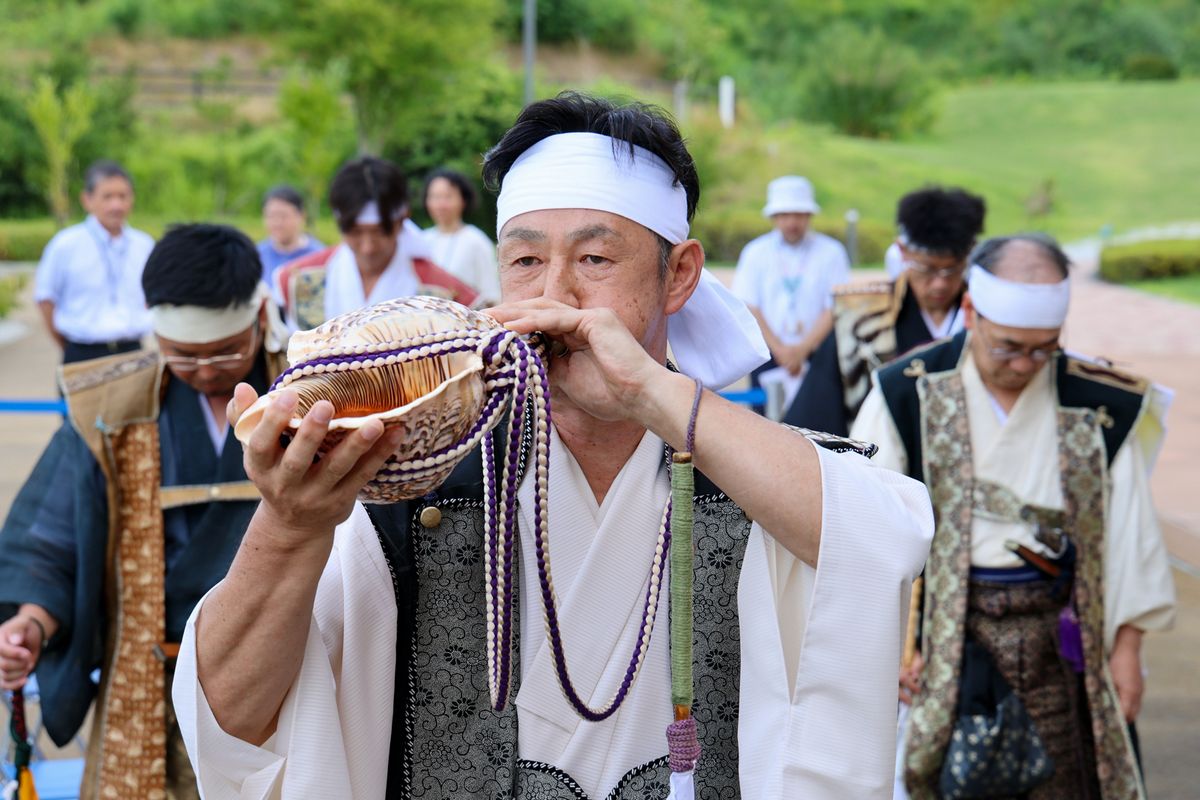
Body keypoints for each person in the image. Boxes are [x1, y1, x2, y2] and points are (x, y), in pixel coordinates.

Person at [173, 93, 934, 799]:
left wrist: (652, 396)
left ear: (681, 275)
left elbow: (880, 546)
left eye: (597, 260)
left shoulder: (753, 473)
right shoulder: (414, 482)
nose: (554, 296)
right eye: (526, 260)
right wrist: (290, 525)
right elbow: (235, 726)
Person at [852, 235, 1176, 799]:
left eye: (1042, 349)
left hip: (1062, 633)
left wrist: (1128, 649)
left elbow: (1131, 535)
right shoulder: (907, 392)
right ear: (972, 312)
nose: (1025, 365)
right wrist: (892, 646)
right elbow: (865, 531)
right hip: (947, 636)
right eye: (1008, 347)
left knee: (1070, 778)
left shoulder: (1098, 404)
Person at [0, 224, 290, 800]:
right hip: (147, 671)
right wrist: (30, 624)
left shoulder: (306, 392)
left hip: (281, 676)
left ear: (260, 317)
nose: (206, 371)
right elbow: (55, 536)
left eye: (226, 352)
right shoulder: (114, 408)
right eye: (182, 355)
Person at [784, 186, 986, 436]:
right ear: (902, 251)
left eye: (952, 270)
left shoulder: (985, 317)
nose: (940, 283)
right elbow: (818, 411)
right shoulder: (860, 316)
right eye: (927, 268)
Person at [274, 156, 477, 331]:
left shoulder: (446, 294)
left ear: (401, 221)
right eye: (355, 233)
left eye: (379, 232)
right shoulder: (295, 281)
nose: (367, 247)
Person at [732, 175, 851, 409]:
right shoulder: (756, 252)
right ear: (774, 217)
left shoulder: (831, 252)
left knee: (818, 423)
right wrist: (780, 349)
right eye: (785, 215)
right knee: (765, 426)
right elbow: (748, 305)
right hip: (768, 353)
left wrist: (803, 349)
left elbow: (836, 304)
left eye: (799, 214)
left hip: (817, 355)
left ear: (809, 215)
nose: (792, 222)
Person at [33, 160, 155, 364]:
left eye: (122, 196)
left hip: (133, 352)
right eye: (107, 197)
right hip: (82, 353)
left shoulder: (144, 244)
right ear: (87, 200)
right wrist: (67, 347)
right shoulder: (66, 244)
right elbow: (46, 299)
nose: (116, 205)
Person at [422, 167, 501, 305]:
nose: (440, 204)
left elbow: (491, 295)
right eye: (434, 197)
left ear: (463, 200)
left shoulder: (476, 241)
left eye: (448, 197)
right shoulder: (422, 240)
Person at [256, 185, 324, 294]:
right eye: (271, 216)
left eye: (283, 216)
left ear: (301, 216)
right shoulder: (256, 255)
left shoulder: (319, 256)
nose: (277, 223)